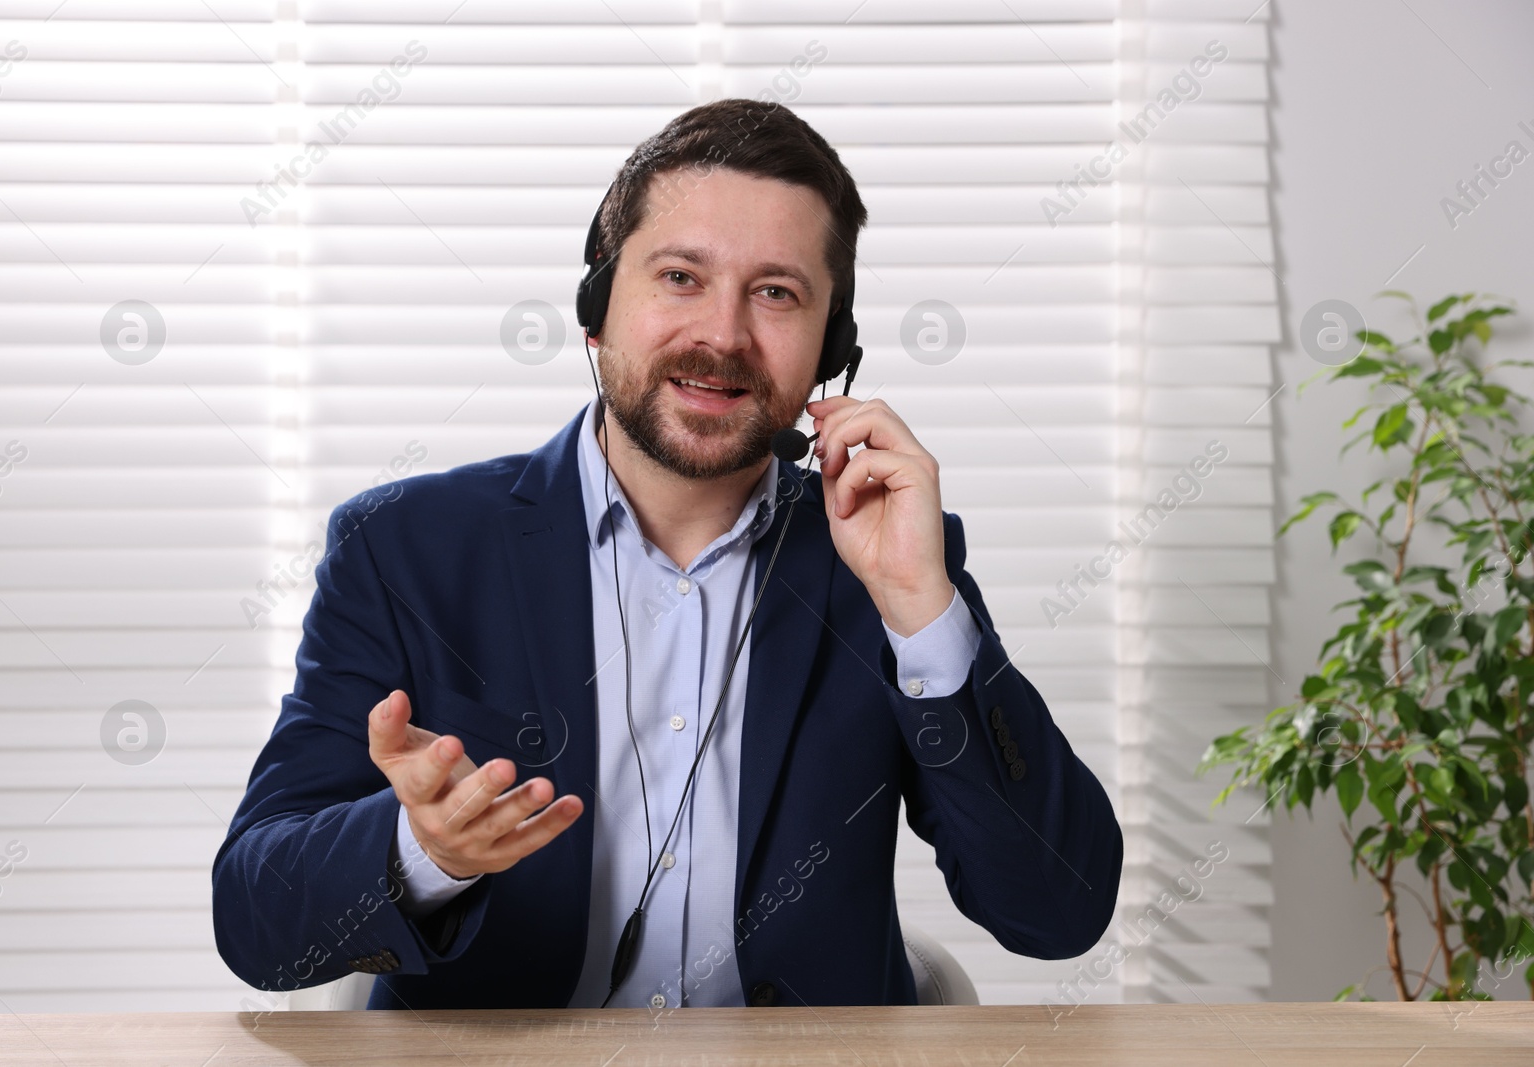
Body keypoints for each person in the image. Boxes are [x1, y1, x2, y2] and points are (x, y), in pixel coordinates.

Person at [212, 99, 1122, 1012]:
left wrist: (924, 612)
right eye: (681, 276)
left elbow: (1057, 912)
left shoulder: (884, 560)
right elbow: (255, 922)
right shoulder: (405, 548)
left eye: (777, 292)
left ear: (831, 350)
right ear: (596, 310)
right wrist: (426, 851)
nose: (723, 336)